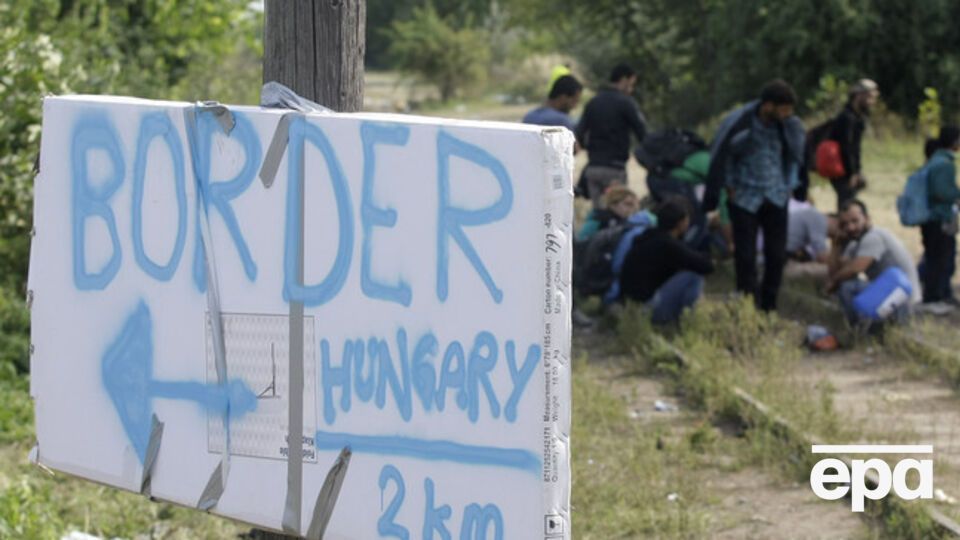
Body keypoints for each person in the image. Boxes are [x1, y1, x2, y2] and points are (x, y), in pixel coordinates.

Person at [703, 79, 805, 311]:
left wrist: (790, 184)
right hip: (745, 197)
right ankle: (748, 305)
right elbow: (726, 154)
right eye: (783, 109)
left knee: (776, 255)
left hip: (776, 196)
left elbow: (794, 156)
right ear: (768, 106)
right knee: (745, 256)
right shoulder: (743, 125)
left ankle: (769, 306)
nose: (787, 114)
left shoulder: (788, 127)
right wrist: (729, 184)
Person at [618, 196, 714, 324]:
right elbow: (707, 266)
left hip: (632, 304)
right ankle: (688, 319)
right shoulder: (667, 244)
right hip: (648, 310)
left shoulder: (648, 236)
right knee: (694, 274)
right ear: (680, 223)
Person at [826, 199, 920, 323]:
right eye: (845, 224)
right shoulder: (855, 242)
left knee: (847, 287)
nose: (850, 227)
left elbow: (855, 269)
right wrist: (836, 244)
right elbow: (838, 271)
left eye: (855, 221)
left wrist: (833, 282)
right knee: (845, 283)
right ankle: (862, 324)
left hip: (903, 300)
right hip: (887, 294)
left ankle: (858, 329)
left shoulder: (873, 237)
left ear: (867, 218)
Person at [574, 63, 648, 208]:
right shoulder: (626, 103)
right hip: (615, 169)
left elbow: (579, 134)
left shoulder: (593, 103)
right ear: (624, 80)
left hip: (593, 169)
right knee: (617, 214)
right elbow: (642, 134)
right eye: (631, 85)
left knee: (599, 213)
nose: (631, 90)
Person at [920, 126, 960, 304]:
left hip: (930, 217)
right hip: (939, 218)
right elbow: (941, 192)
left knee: (934, 257)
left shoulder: (935, 160)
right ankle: (938, 296)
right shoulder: (945, 164)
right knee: (942, 258)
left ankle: (936, 293)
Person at [826, 79, 880, 209]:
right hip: (842, 169)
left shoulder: (857, 117)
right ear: (858, 96)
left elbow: (855, 148)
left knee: (849, 200)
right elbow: (847, 148)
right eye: (869, 97)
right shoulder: (847, 118)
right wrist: (852, 174)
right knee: (846, 204)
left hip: (847, 169)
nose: (871, 102)